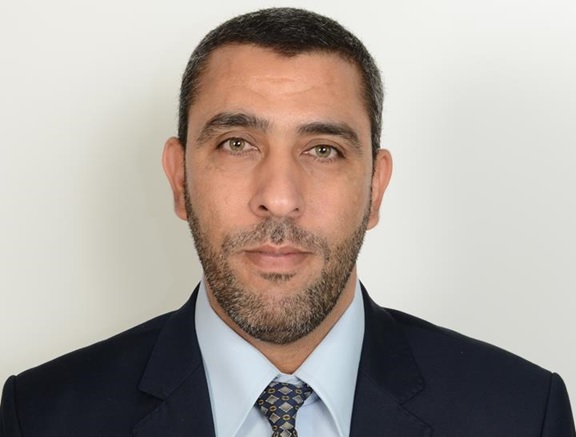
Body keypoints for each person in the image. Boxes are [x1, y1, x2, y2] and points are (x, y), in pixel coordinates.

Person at [0, 7, 574, 437]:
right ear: (179, 179)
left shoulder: (523, 413)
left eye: (323, 150)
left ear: (375, 188)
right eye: (236, 143)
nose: (278, 198)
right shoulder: (43, 415)